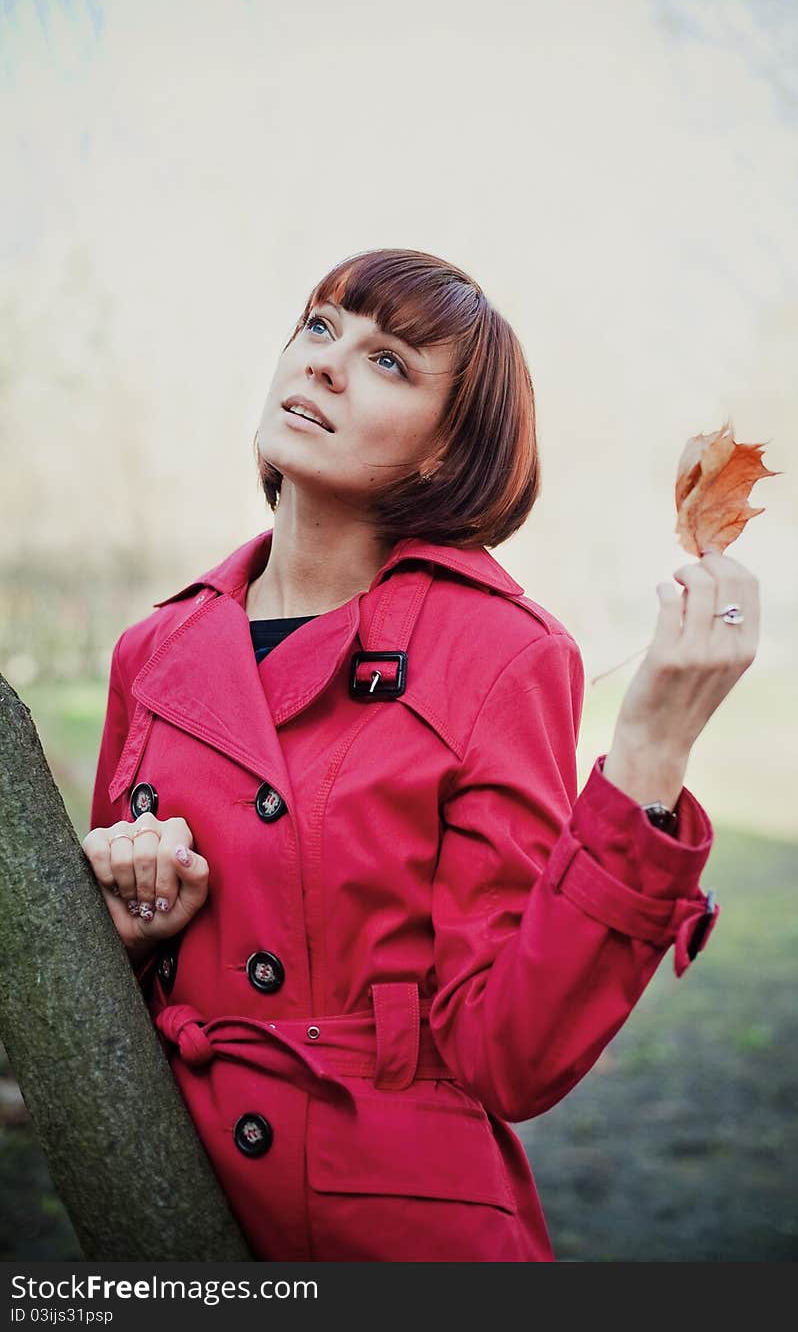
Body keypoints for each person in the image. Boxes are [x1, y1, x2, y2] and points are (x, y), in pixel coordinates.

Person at [82, 247, 759, 1262]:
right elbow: (94, 989)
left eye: (389, 360)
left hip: (397, 1230)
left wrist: (650, 757)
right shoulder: (155, 651)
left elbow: (508, 1053)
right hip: (174, 1214)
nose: (323, 363)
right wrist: (127, 933)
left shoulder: (501, 653)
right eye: (319, 327)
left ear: (448, 455)